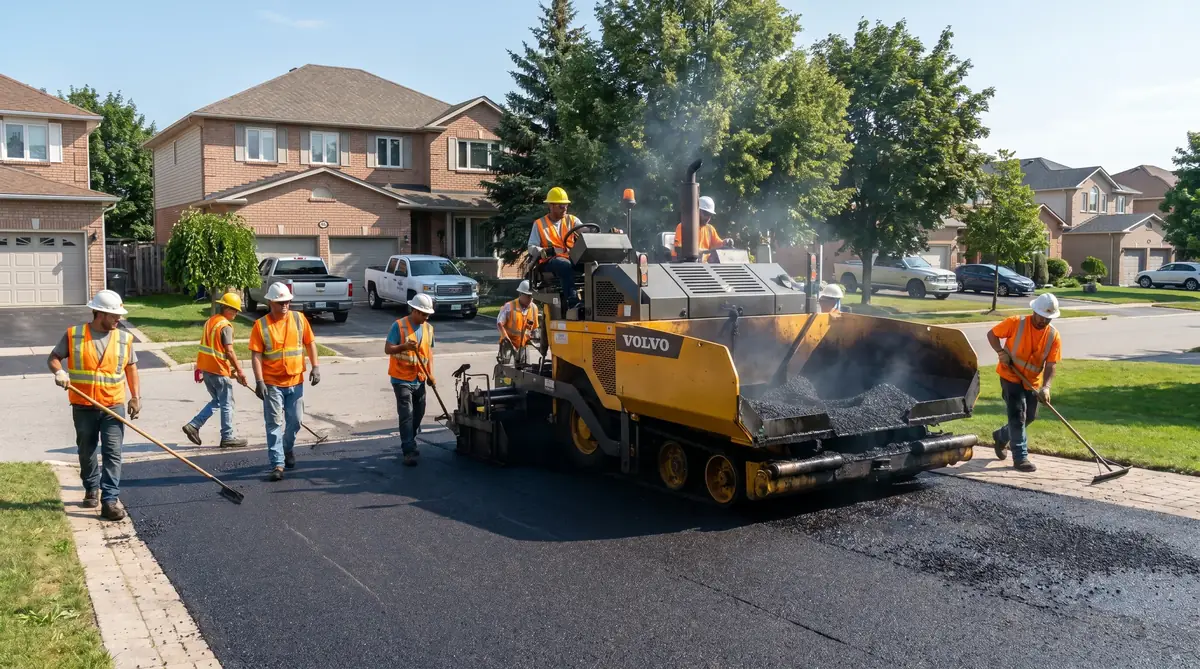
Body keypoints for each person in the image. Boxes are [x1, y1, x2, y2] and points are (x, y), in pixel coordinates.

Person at [46, 290, 140, 521]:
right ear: (100, 313)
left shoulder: (124, 338)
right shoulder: (74, 335)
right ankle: (91, 487)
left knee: (112, 453)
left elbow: (131, 367)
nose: (118, 319)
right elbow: (54, 357)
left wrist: (135, 396)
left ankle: (110, 501)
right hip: (83, 405)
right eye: (114, 315)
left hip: (113, 404)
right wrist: (59, 371)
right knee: (86, 450)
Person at [248, 282, 320, 481]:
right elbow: (256, 355)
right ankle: (277, 464)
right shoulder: (261, 325)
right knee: (274, 424)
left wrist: (316, 367)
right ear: (271, 303)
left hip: (295, 381)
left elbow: (310, 343)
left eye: (287, 301)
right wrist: (259, 380)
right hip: (272, 383)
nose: (285, 305)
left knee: (295, 421)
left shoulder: (299, 319)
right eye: (280, 302)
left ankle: (287, 448)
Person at [987, 293, 1062, 473]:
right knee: (1018, 414)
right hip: (1010, 375)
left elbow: (1051, 364)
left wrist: (1046, 387)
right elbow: (992, 334)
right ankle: (1020, 457)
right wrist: (1000, 352)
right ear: (1034, 311)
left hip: (1032, 382)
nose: (1045, 321)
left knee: (1029, 417)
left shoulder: (1053, 336)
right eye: (1043, 317)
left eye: (1049, 318)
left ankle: (1001, 435)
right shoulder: (1016, 323)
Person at [182, 292, 249, 448]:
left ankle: (194, 425)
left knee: (218, 401)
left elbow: (211, 348)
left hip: (207, 370)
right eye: (235, 310)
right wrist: (239, 371)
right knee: (227, 403)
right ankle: (228, 436)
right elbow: (229, 351)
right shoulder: (225, 326)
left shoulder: (211, 321)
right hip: (218, 371)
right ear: (227, 308)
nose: (237, 313)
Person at [384, 293, 436, 467]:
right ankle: (408, 451)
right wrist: (404, 346)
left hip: (419, 378)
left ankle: (410, 439)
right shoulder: (398, 326)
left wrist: (430, 374)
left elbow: (428, 354)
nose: (425, 317)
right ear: (414, 310)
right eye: (422, 313)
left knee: (419, 413)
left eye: (427, 314)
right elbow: (388, 349)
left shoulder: (429, 329)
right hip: (401, 378)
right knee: (406, 414)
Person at [528, 186, 582, 309]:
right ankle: (573, 302)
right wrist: (541, 251)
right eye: (561, 206)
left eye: (566, 205)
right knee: (563, 264)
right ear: (551, 206)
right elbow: (531, 246)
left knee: (592, 265)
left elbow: (585, 231)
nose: (565, 208)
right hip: (549, 261)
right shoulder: (539, 224)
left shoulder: (572, 220)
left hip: (571, 258)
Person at [496, 280, 539, 366]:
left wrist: (536, 341)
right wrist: (506, 338)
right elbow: (500, 323)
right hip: (509, 344)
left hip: (523, 345)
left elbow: (534, 328)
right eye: (528, 296)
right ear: (520, 294)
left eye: (532, 296)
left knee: (524, 370)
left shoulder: (534, 308)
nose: (530, 299)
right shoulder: (509, 306)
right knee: (508, 371)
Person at [673, 195, 729, 262]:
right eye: (705, 213)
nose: (708, 217)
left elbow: (719, 244)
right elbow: (679, 249)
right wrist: (699, 251)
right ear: (696, 211)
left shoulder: (710, 229)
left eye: (710, 215)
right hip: (688, 265)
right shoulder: (684, 227)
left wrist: (725, 242)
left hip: (705, 266)